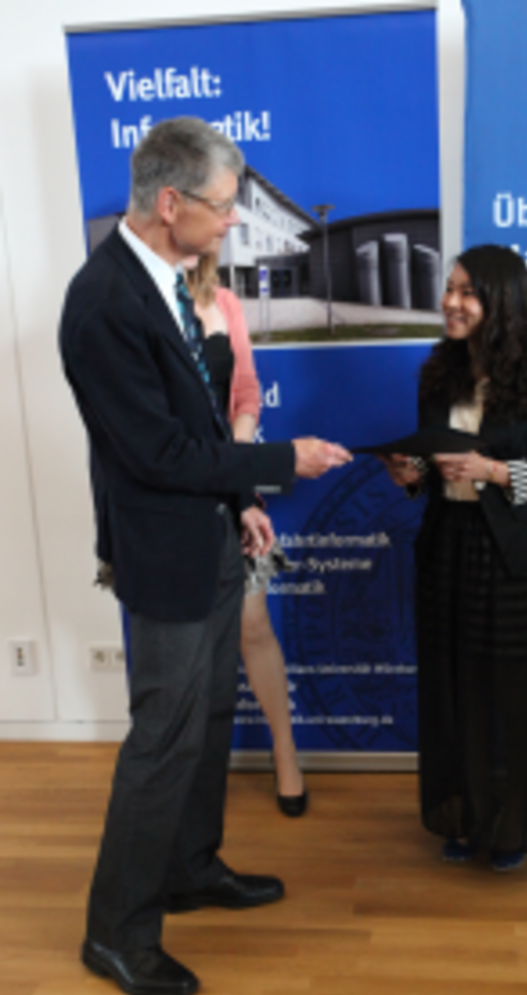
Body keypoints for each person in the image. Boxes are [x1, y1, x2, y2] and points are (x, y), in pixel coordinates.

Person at [59, 117, 351, 995]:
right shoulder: (104, 303)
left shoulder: (171, 285)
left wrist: (240, 505)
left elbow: (201, 426)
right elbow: (157, 454)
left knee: (212, 717)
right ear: (170, 202)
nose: (232, 222)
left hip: (213, 537)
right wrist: (280, 461)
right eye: (222, 207)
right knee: (164, 738)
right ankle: (116, 934)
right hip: (164, 556)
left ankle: (189, 867)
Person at [385, 245, 527, 873]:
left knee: (509, 693)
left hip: (509, 553)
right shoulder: (437, 373)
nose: (451, 302)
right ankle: (464, 816)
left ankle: (511, 823)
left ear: (501, 301)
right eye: (450, 289)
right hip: (446, 543)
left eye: (467, 292)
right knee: (452, 684)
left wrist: (491, 470)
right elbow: (427, 468)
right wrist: (409, 474)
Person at [185, 254, 306, 815]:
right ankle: (184, 771)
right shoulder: (137, 301)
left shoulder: (225, 302)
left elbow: (246, 396)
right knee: (183, 643)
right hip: (168, 496)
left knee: (252, 625)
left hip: (229, 487)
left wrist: (234, 475)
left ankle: (285, 753)